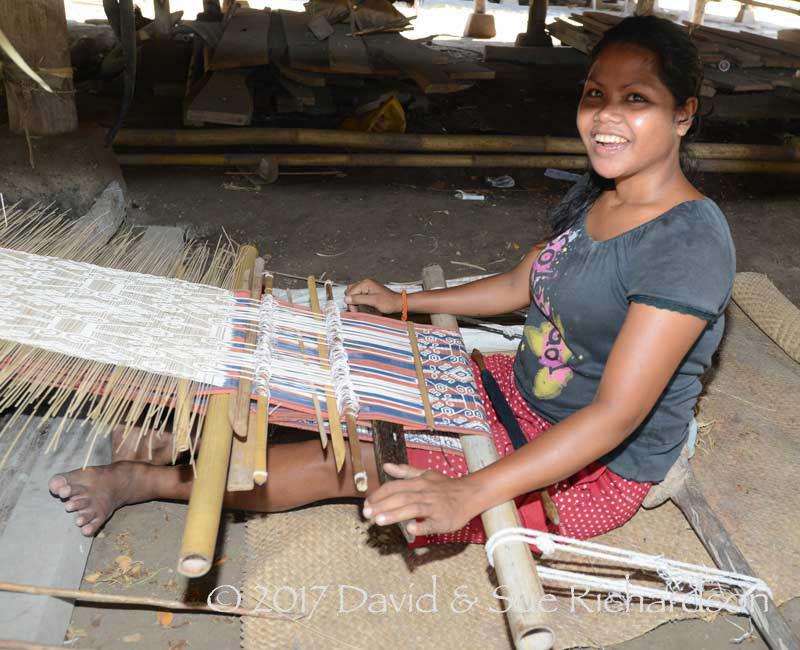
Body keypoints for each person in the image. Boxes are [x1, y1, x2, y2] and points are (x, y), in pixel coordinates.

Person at [49, 15, 735, 546]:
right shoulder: (602, 196)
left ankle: (148, 479)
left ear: (684, 114)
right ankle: (191, 434)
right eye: (595, 95)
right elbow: (525, 282)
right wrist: (403, 303)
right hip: (511, 395)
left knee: (353, 460)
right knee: (346, 351)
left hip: (588, 466)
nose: (605, 117)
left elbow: (613, 415)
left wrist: (469, 494)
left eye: (636, 99)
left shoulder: (688, 245)